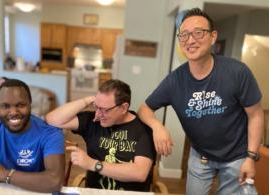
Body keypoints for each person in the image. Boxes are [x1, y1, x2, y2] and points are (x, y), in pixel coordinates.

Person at [138, 8, 264, 195]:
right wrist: (157, 126)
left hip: (238, 157)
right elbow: (144, 109)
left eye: (198, 33)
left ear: (213, 37)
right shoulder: (174, 81)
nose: (190, 40)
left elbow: (255, 115)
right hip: (201, 157)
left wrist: (251, 157)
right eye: (184, 35)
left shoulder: (237, 72)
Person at [46, 79, 156, 191]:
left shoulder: (143, 128)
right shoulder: (93, 120)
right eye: (96, 107)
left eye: (104, 110)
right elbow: (52, 119)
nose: (98, 114)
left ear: (123, 108)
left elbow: (139, 173)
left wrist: (93, 164)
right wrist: (88, 100)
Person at [0, 79, 65, 193]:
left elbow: (55, 182)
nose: (13, 112)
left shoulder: (50, 133)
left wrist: (7, 175)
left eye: (20, 105)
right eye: (5, 106)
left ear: (30, 103)